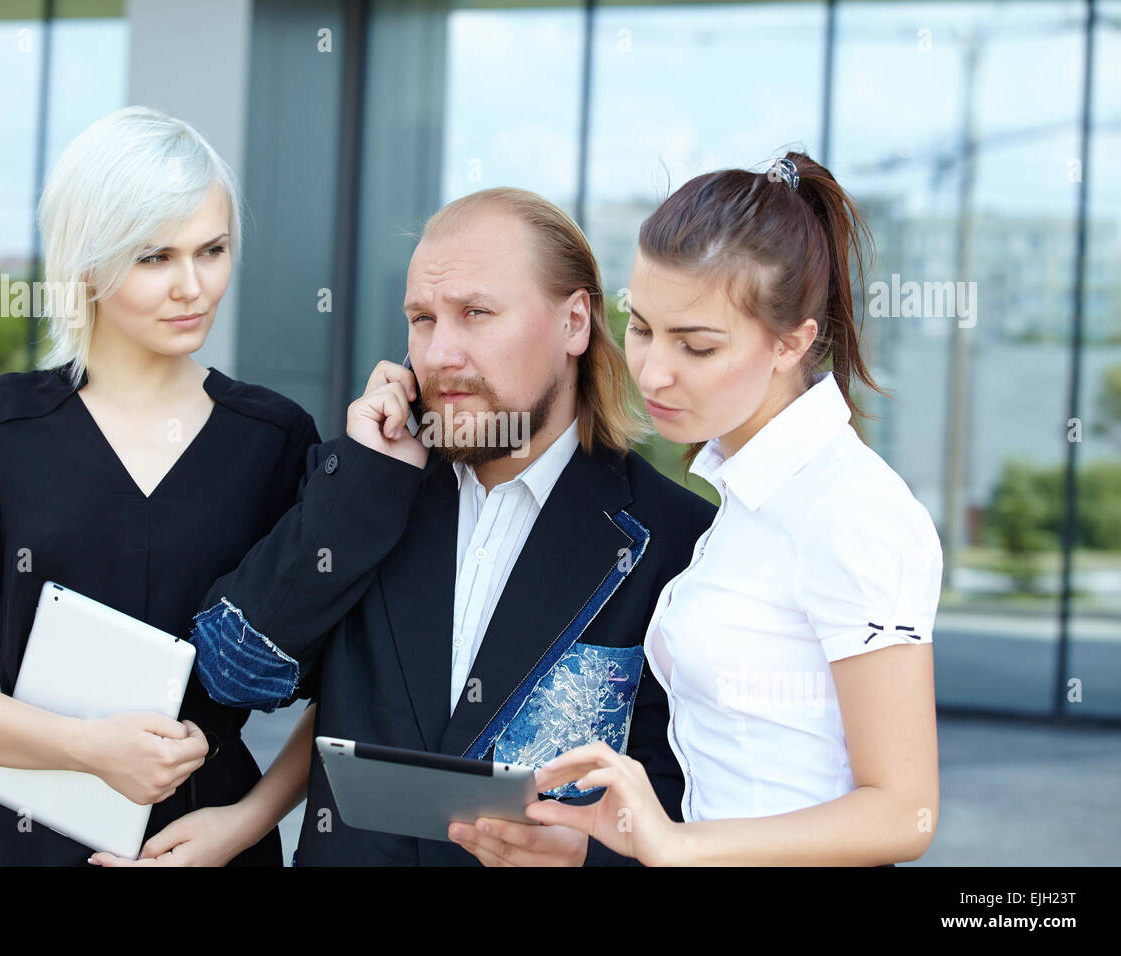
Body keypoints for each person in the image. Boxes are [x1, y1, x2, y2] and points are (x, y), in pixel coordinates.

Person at [170, 187, 718, 867]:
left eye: (476, 314)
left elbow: (695, 796)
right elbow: (234, 674)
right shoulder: (366, 492)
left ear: (575, 322)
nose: (440, 354)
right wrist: (365, 488)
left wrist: (589, 854)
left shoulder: (682, 541)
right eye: (422, 320)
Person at [0, 106, 318, 866]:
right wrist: (84, 746)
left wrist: (240, 825)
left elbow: (351, 680)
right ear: (86, 263)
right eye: (153, 258)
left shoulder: (276, 440)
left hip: (207, 845)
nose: (193, 286)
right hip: (24, 840)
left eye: (213, 249)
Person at [526, 152, 944, 866]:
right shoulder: (748, 496)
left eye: (696, 345)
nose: (653, 371)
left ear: (793, 342)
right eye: (644, 327)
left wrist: (678, 846)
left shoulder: (851, 510)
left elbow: (905, 812)